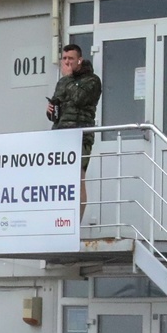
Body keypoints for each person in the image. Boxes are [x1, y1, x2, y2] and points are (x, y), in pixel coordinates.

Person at [47, 43, 102, 217]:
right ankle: (60, 223)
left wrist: (68, 78)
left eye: (71, 58)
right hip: (60, 136)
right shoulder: (63, 81)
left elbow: (79, 98)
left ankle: (75, 226)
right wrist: (50, 111)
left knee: (78, 178)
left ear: (80, 60)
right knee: (59, 181)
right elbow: (57, 108)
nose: (67, 62)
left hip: (80, 137)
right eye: (64, 59)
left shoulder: (92, 80)